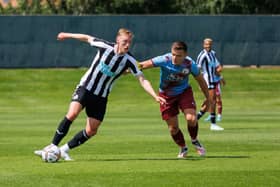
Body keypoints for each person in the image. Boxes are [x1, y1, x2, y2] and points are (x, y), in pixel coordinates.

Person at [34, 28, 166, 161]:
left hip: (101, 97)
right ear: (118, 40)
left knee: (92, 130)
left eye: (129, 42)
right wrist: (66, 35)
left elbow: (142, 79)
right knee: (72, 114)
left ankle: (62, 150)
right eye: (125, 41)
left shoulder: (129, 60)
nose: (127, 45)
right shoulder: (104, 46)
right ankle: (52, 146)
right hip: (86, 88)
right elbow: (87, 37)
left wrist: (155, 96)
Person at [139, 41, 209, 158]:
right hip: (166, 96)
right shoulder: (164, 59)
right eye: (174, 54)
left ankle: (195, 140)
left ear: (185, 55)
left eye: (179, 56)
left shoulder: (190, 64)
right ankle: (183, 147)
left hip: (184, 92)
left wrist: (208, 98)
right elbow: (143, 65)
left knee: (191, 119)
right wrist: (127, 68)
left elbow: (200, 80)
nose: (175, 58)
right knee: (173, 128)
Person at [196, 38, 224, 131]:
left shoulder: (213, 54)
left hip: (213, 80)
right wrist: (200, 83)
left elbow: (216, 67)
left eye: (210, 44)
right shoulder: (202, 55)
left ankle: (195, 120)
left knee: (209, 102)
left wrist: (220, 77)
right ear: (203, 45)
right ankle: (213, 124)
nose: (208, 46)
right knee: (212, 101)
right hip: (207, 81)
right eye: (206, 44)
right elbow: (197, 70)